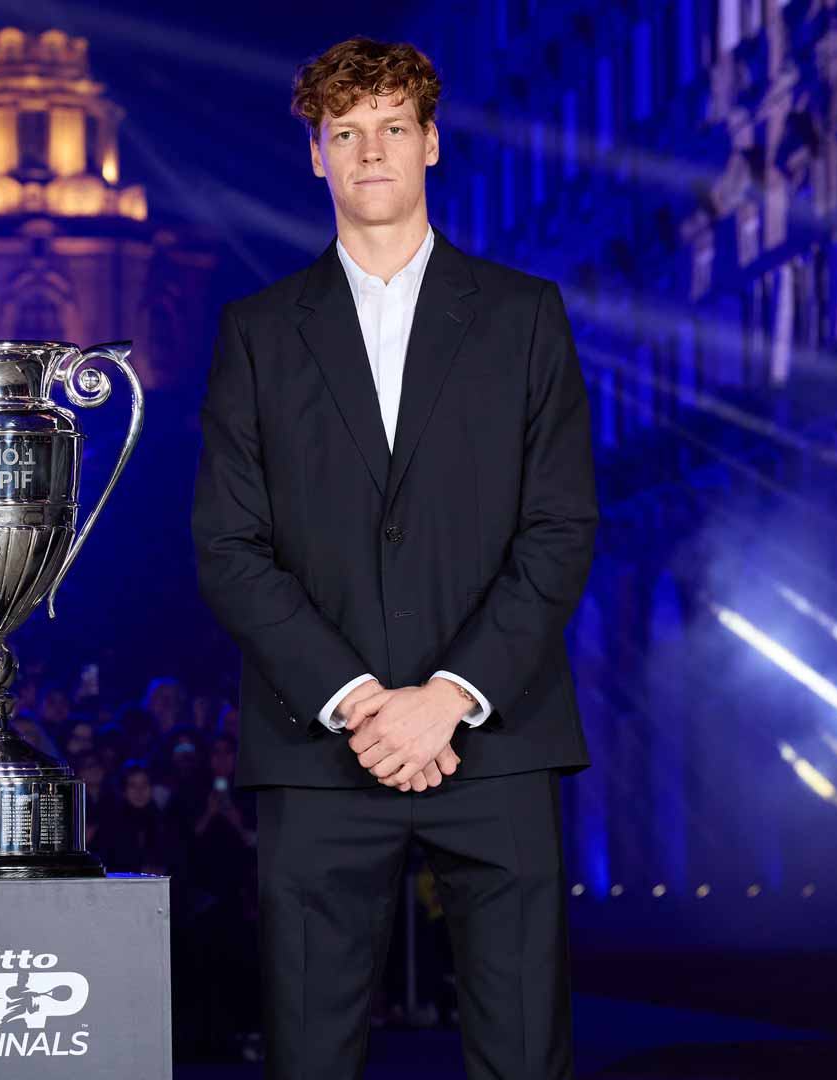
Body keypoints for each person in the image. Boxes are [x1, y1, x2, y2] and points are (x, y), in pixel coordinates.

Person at [191, 37, 596, 1079]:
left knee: (523, 1057)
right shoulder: (257, 331)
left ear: (432, 142)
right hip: (320, 745)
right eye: (345, 133)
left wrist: (448, 696)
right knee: (310, 1057)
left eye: (392, 128)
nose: (371, 150)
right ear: (317, 155)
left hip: (494, 739)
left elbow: (560, 528)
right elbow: (229, 547)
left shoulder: (524, 316)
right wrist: (361, 699)